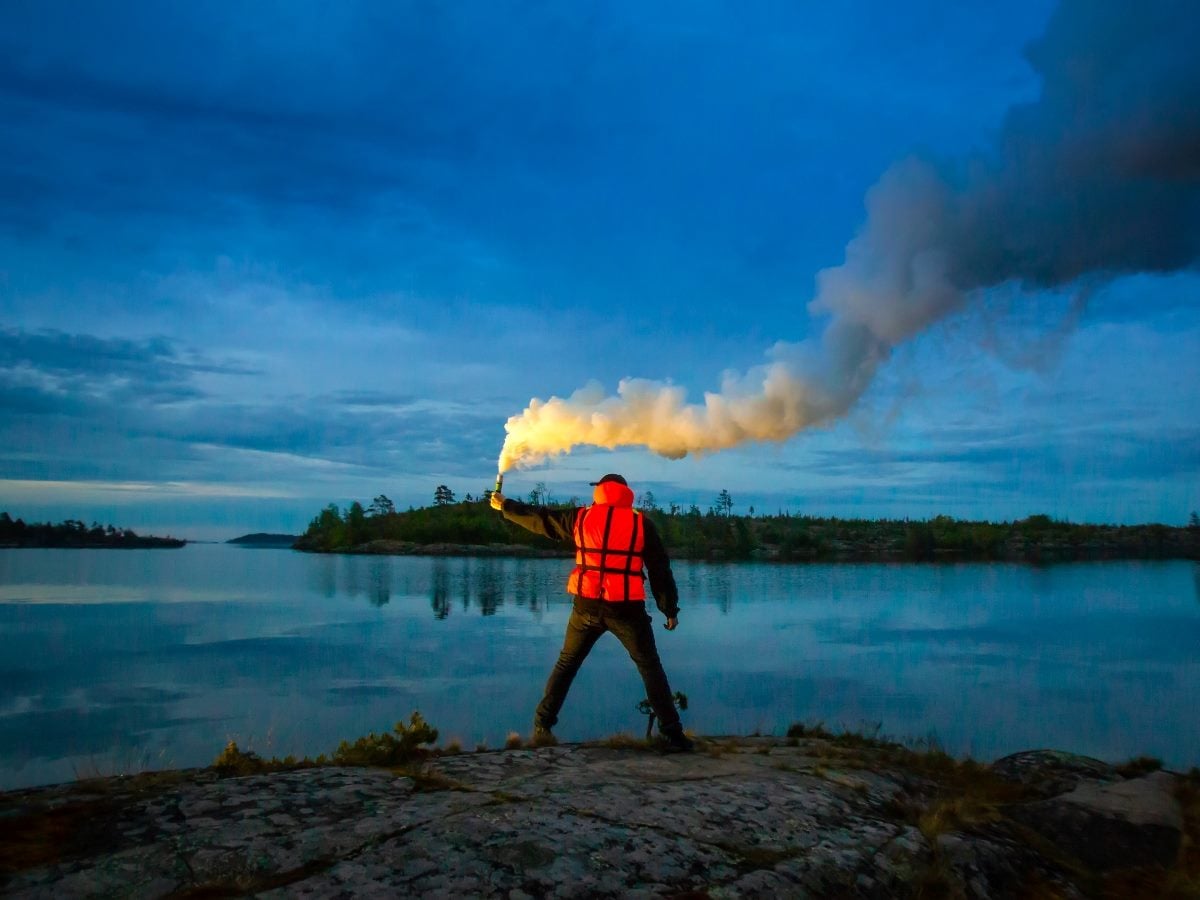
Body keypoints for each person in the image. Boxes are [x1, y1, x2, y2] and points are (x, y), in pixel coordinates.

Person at [491, 473, 693, 751]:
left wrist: (505, 506)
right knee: (650, 667)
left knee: (566, 664)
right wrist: (669, 609)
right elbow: (660, 569)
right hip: (626, 609)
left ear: (600, 490)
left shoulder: (581, 518)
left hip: (586, 607)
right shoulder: (641, 524)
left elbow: (541, 519)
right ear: (624, 493)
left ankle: (542, 726)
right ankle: (672, 734)